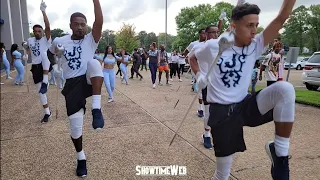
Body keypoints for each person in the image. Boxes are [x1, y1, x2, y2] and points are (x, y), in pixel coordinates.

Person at [194, 1, 296, 179]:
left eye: (256, 25)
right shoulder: (214, 46)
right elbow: (192, 57)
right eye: (249, 25)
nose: (254, 30)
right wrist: (199, 76)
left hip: (245, 105)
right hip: (222, 113)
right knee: (222, 174)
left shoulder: (255, 45)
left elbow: (281, 17)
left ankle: (280, 155)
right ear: (234, 27)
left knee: (285, 89)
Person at [49, 0, 104, 177]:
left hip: (88, 79)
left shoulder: (91, 39)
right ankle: (81, 157)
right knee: (75, 128)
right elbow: (50, 55)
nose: (81, 27)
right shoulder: (60, 40)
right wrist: (54, 66)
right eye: (77, 24)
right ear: (71, 25)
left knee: (94, 63)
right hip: (72, 85)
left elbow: (99, 22)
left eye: (83, 24)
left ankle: (97, 109)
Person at [26, 1, 53, 123]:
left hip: (45, 65)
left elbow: (47, 27)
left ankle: (46, 81)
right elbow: (28, 48)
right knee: (41, 93)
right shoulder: (30, 40)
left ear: (42, 32)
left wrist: (43, 11)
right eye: (35, 31)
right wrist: (26, 56)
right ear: (33, 32)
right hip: (36, 68)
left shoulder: (46, 40)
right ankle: (47, 112)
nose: (37, 33)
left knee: (43, 54)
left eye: (39, 31)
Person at [183, 29, 207, 117]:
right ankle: (201, 109)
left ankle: (208, 108)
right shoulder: (194, 44)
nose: (205, 35)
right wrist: (187, 59)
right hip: (197, 69)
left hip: (208, 68)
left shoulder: (209, 44)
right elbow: (186, 52)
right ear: (200, 34)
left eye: (206, 33)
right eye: (203, 33)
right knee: (201, 89)